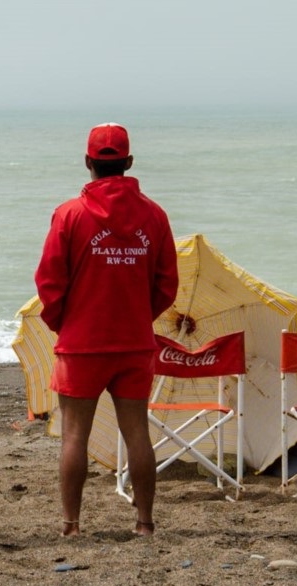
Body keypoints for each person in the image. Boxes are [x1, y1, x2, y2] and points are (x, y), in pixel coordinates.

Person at [35, 122, 179, 537]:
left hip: (81, 344)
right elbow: (167, 284)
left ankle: (71, 526)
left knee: (74, 436)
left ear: (88, 163)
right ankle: (145, 523)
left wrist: (65, 322)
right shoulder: (154, 215)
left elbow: (48, 282)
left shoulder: (69, 215)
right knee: (136, 431)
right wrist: (138, 315)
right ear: (129, 163)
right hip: (133, 342)